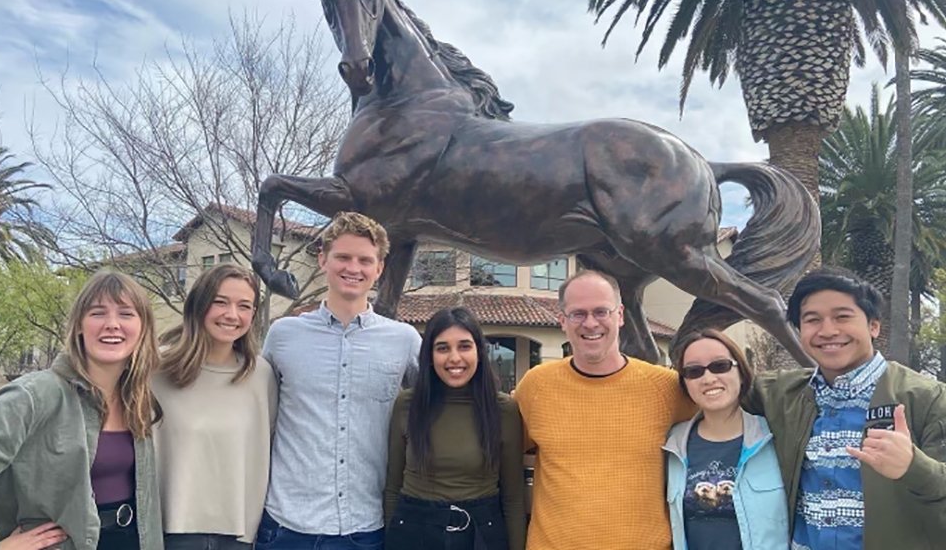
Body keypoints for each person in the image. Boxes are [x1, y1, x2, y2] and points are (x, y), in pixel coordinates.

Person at [750, 266, 946, 550]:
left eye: (843, 317)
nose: (828, 331)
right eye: (812, 320)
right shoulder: (780, 395)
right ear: (799, 330)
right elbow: (704, 387)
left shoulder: (930, 399)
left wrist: (914, 468)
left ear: (874, 326)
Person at [256, 212, 421, 550]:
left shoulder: (404, 340)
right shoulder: (283, 334)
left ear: (380, 268)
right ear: (322, 260)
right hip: (286, 527)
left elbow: (441, 404)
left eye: (365, 260)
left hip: (366, 528)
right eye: (343, 257)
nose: (353, 268)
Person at [0, 269, 164, 550]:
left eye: (126, 313)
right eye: (98, 313)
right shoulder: (35, 395)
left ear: (143, 327)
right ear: (79, 326)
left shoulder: (139, 398)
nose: (112, 324)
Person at [515, 269, 697, 550]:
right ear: (562, 320)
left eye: (601, 311)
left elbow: (721, 424)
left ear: (620, 315)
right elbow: (497, 448)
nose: (590, 323)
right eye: (578, 314)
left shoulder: (666, 388)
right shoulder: (536, 386)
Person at [153, 263, 278, 550]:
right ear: (198, 304)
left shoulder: (261, 374)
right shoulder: (156, 367)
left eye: (244, 306)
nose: (232, 315)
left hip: (239, 536)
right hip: (168, 533)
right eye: (220, 302)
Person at [384, 307, 526, 550]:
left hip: (482, 533)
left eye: (464, 346)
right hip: (413, 530)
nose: (454, 358)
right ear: (429, 355)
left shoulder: (503, 409)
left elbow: (513, 498)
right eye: (442, 348)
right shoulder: (408, 404)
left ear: (479, 352)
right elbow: (392, 487)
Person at [664, 329, 788, 550]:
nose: (709, 379)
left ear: (741, 372)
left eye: (720, 366)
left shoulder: (777, 437)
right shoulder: (674, 444)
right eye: (694, 371)